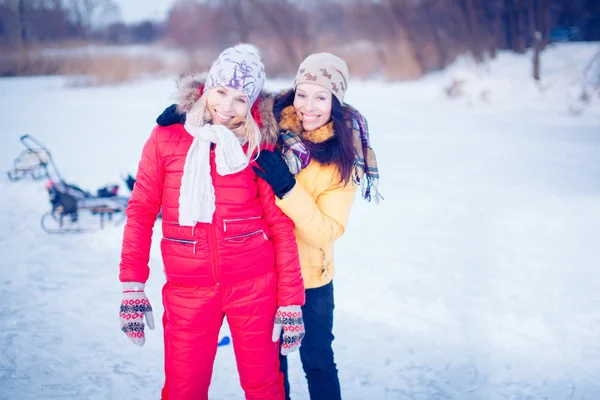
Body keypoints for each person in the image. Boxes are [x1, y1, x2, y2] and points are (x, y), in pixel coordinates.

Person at [157, 52, 381, 400]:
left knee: (318, 361)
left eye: (321, 97)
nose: (309, 106)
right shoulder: (274, 123)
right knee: (274, 369)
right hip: (263, 275)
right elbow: (233, 106)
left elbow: (327, 230)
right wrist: (186, 112)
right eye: (303, 93)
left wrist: (287, 188)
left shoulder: (342, 155)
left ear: (336, 101)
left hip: (310, 279)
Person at [119, 43, 306, 400]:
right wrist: (132, 285)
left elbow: (280, 228)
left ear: (251, 102)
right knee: (183, 390)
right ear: (206, 88)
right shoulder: (166, 138)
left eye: (240, 99)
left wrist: (290, 301)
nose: (227, 107)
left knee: (265, 387)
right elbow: (141, 210)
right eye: (221, 92)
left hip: (255, 289)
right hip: (188, 291)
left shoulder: (259, 147)